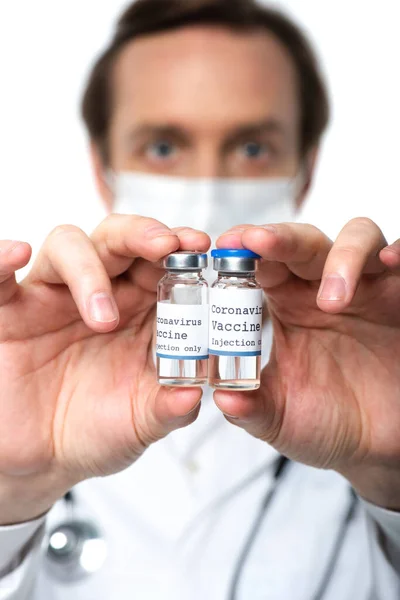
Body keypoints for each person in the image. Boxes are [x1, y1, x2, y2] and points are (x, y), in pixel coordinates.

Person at [1, 0, 400, 598]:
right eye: (163, 148)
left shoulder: (379, 384)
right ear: (103, 166)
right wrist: (10, 493)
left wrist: (393, 480)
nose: (207, 186)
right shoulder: (25, 379)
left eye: (252, 148)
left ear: (307, 167)